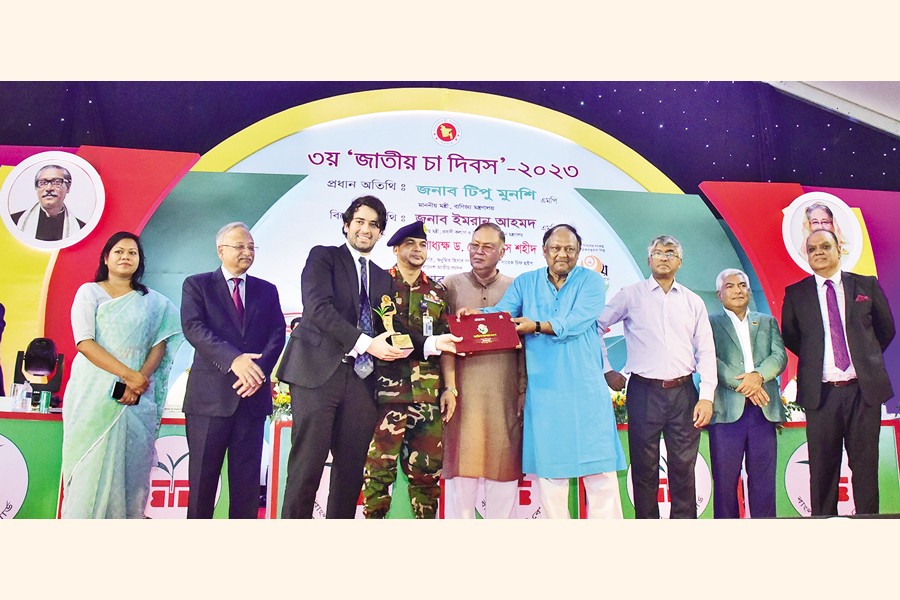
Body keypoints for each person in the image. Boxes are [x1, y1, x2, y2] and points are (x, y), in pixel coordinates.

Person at [277, 196, 460, 519]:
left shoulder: (380, 277)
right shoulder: (324, 257)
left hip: (361, 383)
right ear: (346, 225)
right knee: (308, 466)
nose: (366, 229)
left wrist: (431, 343)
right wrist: (366, 343)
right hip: (318, 374)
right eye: (359, 221)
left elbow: (393, 329)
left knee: (350, 473)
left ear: (380, 233)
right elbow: (318, 310)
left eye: (374, 225)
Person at [461, 224, 625, 519]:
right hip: (546, 391)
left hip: (586, 389)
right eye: (556, 248)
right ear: (544, 250)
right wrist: (476, 316)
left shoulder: (591, 282)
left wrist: (536, 326)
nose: (563, 254)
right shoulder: (526, 282)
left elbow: (575, 321)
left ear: (578, 252)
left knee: (600, 473)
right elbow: (503, 312)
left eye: (570, 249)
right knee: (552, 475)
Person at [61, 231, 182, 518]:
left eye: (132, 252)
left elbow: (160, 343)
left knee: (131, 474)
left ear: (140, 261)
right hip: (93, 396)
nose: (125, 256)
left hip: (136, 399)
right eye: (118, 251)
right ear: (106, 257)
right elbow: (85, 343)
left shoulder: (154, 302)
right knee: (88, 471)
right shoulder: (89, 293)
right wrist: (130, 375)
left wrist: (139, 381)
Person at [598, 234, 716, 519]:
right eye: (658, 252)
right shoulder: (631, 294)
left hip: (684, 393)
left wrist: (707, 397)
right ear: (649, 260)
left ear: (680, 261)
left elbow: (707, 351)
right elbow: (596, 327)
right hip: (644, 392)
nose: (664, 257)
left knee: (684, 468)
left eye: (670, 252)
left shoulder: (693, 301)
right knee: (644, 467)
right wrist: (606, 369)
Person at [782, 229, 895, 516]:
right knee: (822, 469)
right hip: (822, 394)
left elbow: (886, 330)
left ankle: (868, 529)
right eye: (812, 249)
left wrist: (864, 357)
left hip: (862, 391)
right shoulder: (796, 294)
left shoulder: (866, 286)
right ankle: (823, 532)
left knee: (866, 467)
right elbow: (793, 338)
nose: (818, 252)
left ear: (838, 249)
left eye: (824, 246)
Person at [181, 222, 285, 519]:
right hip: (209, 401)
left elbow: (277, 334)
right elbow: (194, 328)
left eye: (251, 247)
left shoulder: (266, 290)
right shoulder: (197, 285)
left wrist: (258, 372)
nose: (247, 252)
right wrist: (235, 361)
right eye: (240, 246)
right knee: (202, 482)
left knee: (247, 485)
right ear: (220, 250)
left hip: (251, 400)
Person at [362, 221, 454, 519]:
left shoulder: (438, 292)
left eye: (423, 245)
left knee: (427, 476)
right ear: (397, 248)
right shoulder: (377, 286)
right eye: (411, 244)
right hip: (384, 396)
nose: (418, 250)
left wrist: (449, 388)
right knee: (378, 472)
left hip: (427, 398)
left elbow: (446, 347)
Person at [442, 223, 526, 519]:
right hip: (463, 397)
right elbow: (444, 344)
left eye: (487, 246)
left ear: (503, 252)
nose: (479, 251)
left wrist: (522, 390)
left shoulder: (516, 287)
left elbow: (526, 346)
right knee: (461, 476)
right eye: (474, 244)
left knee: (503, 473)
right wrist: (449, 387)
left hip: (504, 395)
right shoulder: (450, 285)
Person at [708, 268, 787, 518]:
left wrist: (758, 377)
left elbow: (779, 356)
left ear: (749, 291)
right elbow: (710, 360)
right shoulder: (709, 323)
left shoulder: (766, 321)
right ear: (719, 294)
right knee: (724, 483)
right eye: (730, 286)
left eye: (742, 285)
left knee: (763, 482)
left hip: (762, 412)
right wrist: (746, 385)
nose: (738, 290)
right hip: (726, 411)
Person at [11, 165, 86, 242]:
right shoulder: (14, 222)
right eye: (42, 183)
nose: (48, 188)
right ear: (36, 188)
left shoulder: (81, 229)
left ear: (68, 187)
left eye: (57, 182)